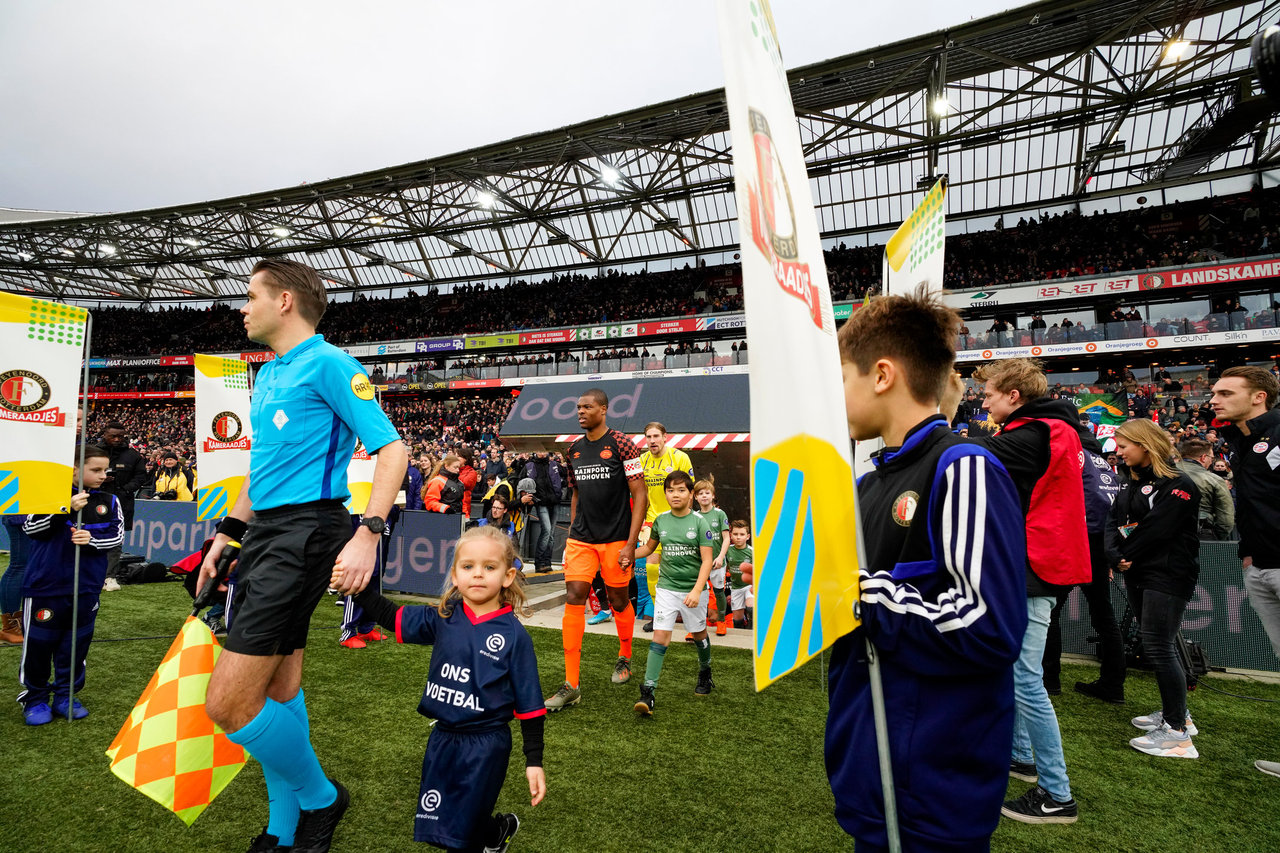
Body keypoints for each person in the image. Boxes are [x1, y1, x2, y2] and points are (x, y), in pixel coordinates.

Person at [197, 258, 408, 853]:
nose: (242, 308)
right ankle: (282, 830)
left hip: (307, 534)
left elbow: (393, 451)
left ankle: (322, 797)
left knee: (230, 703)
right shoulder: (265, 375)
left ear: (284, 301)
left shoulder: (334, 364)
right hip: (265, 535)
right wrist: (227, 535)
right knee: (280, 686)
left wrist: (367, 533)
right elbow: (260, 470)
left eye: (250, 296)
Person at [828, 289, 1028, 853]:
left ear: (883, 374)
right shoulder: (869, 483)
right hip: (872, 778)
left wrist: (864, 596)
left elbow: (986, 625)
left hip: (932, 793)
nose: (834, 394)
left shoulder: (962, 465)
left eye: (842, 376)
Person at [336, 526, 546, 851]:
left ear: (507, 576)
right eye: (468, 567)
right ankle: (497, 831)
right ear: (455, 574)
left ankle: (484, 835)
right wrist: (358, 589)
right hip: (443, 739)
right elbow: (393, 617)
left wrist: (534, 760)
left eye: (489, 567)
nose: (478, 575)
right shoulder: (444, 617)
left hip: (486, 745)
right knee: (450, 821)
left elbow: (531, 707)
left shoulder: (515, 637)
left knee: (460, 836)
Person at [965, 358, 1089, 826]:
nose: (985, 400)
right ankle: (1021, 758)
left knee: (1024, 678)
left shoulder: (1036, 433)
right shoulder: (1050, 428)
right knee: (1015, 670)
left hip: (1033, 567)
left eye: (991, 393)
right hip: (1037, 563)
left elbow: (967, 456)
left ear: (1014, 396)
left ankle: (1057, 795)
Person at [543, 389, 647, 711]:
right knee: (575, 596)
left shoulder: (622, 443)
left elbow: (640, 493)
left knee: (617, 599)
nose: (580, 412)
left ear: (603, 409)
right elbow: (575, 494)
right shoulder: (573, 449)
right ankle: (571, 684)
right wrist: (573, 529)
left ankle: (625, 655)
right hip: (581, 539)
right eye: (578, 407)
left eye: (587, 407)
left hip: (616, 538)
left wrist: (631, 543)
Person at [17, 445, 123, 725]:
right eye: (96, 470)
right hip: (45, 586)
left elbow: (116, 537)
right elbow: (30, 529)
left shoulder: (110, 501)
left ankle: (66, 695)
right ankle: (35, 698)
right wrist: (63, 509)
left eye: (105, 470)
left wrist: (92, 541)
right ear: (75, 469)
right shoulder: (48, 495)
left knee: (76, 645)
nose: (103, 475)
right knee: (39, 645)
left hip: (86, 587)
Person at [1210, 365, 1280, 779]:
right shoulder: (1241, 439)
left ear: (1258, 397)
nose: (1214, 398)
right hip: (1260, 564)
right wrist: (1248, 552)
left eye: (1225, 392)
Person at [630, 470, 716, 715]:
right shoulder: (661, 520)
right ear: (665, 494)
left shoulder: (701, 522)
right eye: (670, 490)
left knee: (699, 634)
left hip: (693, 590)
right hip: (666, 588)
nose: (675, 494)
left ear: (691, 495)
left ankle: (705, 672)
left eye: (681, 490)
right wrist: (627, 555)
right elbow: (649, 548)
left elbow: (707, 561)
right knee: (660, 637)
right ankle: (648, 692)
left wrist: (697, 590)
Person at [638, 422, 694, 630]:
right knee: (652, 569)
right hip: (653, 522)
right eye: (648, 437)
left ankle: (687, 614)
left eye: (655, 436)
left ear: (665, 437)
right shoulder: (642, 460)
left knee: (680, 569)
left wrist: (684, 518)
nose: (652, 441)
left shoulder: (679, 457)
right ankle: (658, 614)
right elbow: (640, 494)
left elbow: (690, 491)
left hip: (677, 520)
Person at [98, 420, 149, 591]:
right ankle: (89, 575)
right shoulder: (93, 452)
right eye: (113, 436)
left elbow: (141, 476)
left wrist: (125, 490)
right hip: (94, 500)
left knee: (115, 541)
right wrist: (99, 479)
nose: (117, 439)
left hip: (120, 503)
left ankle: (109, 577)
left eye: (120, 436)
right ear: (105, 434)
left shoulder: (132, 455)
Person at [1175, 438, 1235, 541]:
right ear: (1203, 457)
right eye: (1211, 458)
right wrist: (1216, 537)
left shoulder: (1162, 473)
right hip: (1201, 534)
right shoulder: (1214, 480)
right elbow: (1226, 519)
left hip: (1161, 534)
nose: (1211, 461)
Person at [692, 477, 730, 629]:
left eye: (707, 492)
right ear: (695, 497)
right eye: (700, 493)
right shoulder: (694, 516)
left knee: (719, 591)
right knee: (698, 592)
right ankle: (696, 625)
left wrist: (720, 557)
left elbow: (726, 538)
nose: (704, 496)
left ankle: (721, 622)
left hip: (717, 563)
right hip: (701, 563)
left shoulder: (720, 514)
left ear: (713, 495)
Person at [520, 452, 563, 574]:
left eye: (543, 450)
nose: (542, 453)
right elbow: (521, 481)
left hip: (554, 501)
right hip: (540, 502)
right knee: (547, 531)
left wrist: (561, 490)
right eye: (539, 450)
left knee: (551, 534)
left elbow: (565, 476)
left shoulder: (554, 464)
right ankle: (539, 563)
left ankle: (547, 562)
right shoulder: (529, 465)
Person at [1, 514, 30, 645]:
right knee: (18, 566)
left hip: (26, 509)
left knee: (22, 566)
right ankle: (10, 627)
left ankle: (16, 623)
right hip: (21, 510)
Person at [724, 520, 753, 634]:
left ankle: (752, 632)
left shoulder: (752, 552)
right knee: (737, 619)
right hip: (735, 588)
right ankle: (741, 638)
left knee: (751, 607)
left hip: (749, 585)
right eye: (735, 534)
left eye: (742, 534)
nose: (738, 537)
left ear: (748, 536)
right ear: (731, 535)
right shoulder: (727, 550)